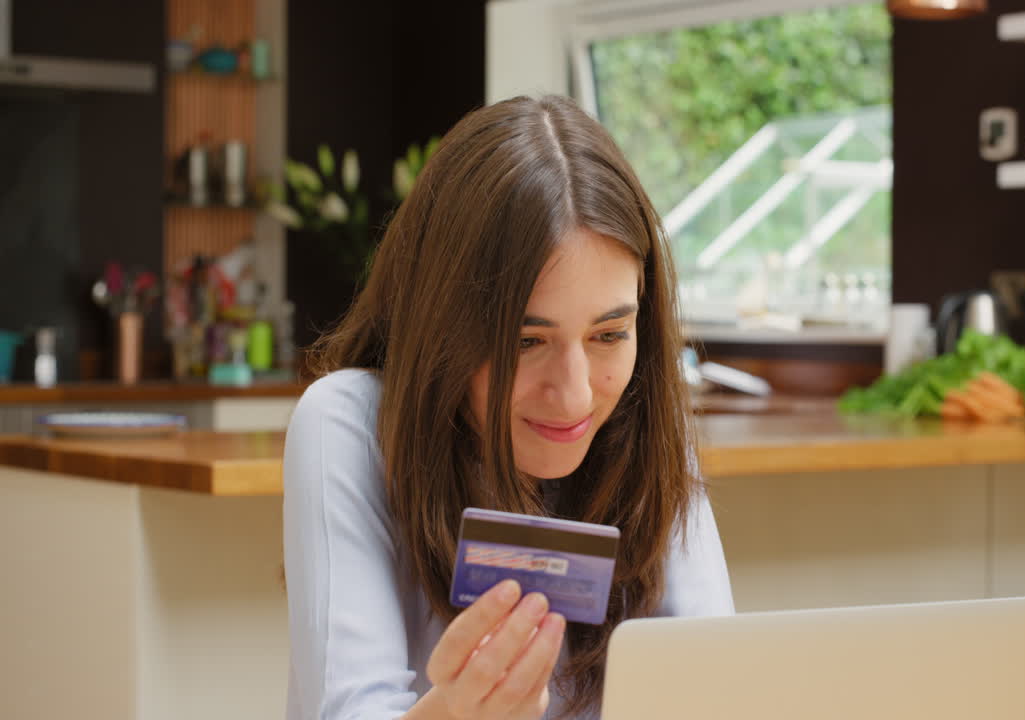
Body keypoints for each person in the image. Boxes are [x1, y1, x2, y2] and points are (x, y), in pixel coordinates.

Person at [282, 95, 735, 720]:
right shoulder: (350, 425)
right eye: (525, 342)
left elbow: (714, 679)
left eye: (608, 335)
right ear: (445, 324)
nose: (575, 394)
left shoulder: (649, 429)